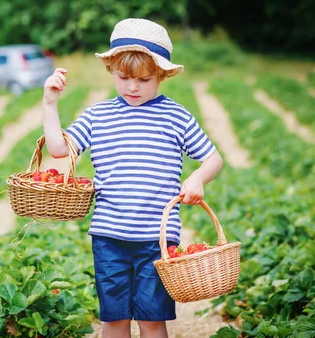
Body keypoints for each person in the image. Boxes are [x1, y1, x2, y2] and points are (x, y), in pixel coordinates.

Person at [42, 18, 223, 338]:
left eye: (144, 79)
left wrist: (196, 179)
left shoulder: (176, 116)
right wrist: (50, 103)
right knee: (114, 319)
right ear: (112, 69)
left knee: (152, 320)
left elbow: (213, 158)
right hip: (108, 238)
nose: (133, 87)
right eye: (124, 78)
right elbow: (59, 150)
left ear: (162, 74)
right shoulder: (98, 116)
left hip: (158, 240)